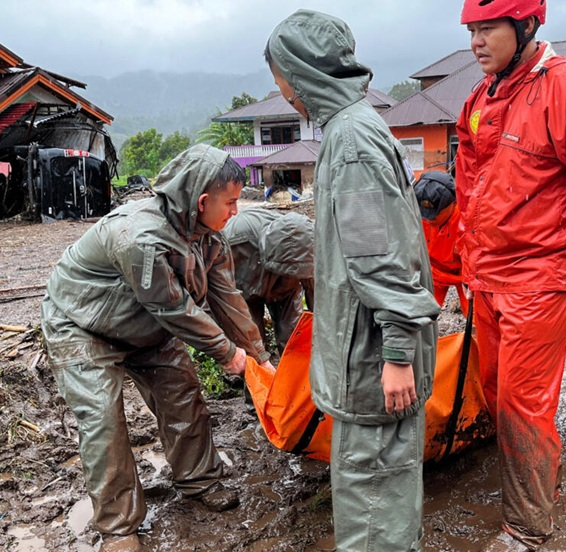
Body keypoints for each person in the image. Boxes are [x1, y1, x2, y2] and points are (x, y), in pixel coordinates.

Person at [455, 1, 566, 549]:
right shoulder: (482, 95)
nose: (476, 42)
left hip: (542, 274)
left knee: (522, 400)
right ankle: (533, 480)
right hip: (488, 275)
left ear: (527, 26)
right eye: (472, 30)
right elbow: (470, 185)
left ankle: (527, 526)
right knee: (493, 391)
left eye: (487, 28)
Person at [41, 145, 274, 552]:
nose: (236, 211)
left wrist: (259, 356)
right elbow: (176, 310)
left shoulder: (209, 237)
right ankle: (117, 527)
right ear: (202, 201)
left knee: (182, 393)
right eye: (231, 202)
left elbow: (227, 298)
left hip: (147, 327)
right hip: (82, 326)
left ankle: (199, 479)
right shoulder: (140, 237)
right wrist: (228, 355)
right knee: (103, 420)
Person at [265, 10, 439, 552]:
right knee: (382, 494)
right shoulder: (357, 127)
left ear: (300, 73)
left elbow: (384, 260)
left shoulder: (351, 143)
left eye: (281, 77)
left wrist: (395, 356)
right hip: (365, 354)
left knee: (372, 502)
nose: (282, 92)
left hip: (370, 362)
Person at [223, 207, 314, 354]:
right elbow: (219, 287)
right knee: (252, 345)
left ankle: (291, 370)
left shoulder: (307, 245)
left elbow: (314, 290)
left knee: (293, 339)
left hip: (286, 292)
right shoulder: (233, 238)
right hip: (244, 292)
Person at [413, 171, 468, 316]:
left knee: (476, 317)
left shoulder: (467, 217)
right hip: (433, 271)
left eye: (435, 213)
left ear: (454, 202)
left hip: (465, 272)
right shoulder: (416, 215)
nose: (429, 219)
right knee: (423, 315)